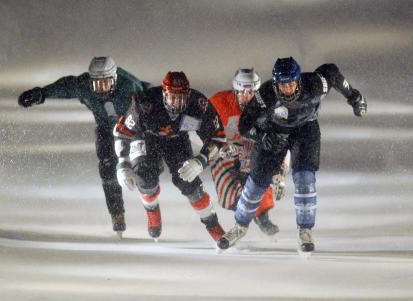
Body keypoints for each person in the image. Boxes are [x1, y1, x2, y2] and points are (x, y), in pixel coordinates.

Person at [218, 57, 367, 252]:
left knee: (305, 179)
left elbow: (332, 73)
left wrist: (354, 97)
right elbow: (245, 124)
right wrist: (263, 137)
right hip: (274, 133)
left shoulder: (315, 85)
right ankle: (239, 226)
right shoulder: (266, 94)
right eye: (282, 85)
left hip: (305, 131)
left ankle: (305, 229)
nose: (287, 89)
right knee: (256, 183)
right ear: (275, 84)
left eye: (291, 84)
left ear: (299, 81)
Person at [17, 56, 151, 237]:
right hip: (106, 129)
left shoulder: (129, 86)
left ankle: (151, 205)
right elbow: (65, 87)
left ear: (115, 79)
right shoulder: (84, 86)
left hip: (132, 129)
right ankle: (117, 214)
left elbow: (148, 104)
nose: (101, 89)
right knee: (107, 169)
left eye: (105, 84)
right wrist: (41, 94)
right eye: (97, 84)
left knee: (144, 166)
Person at [113, 71, 226, 242]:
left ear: (188, 96)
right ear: (163, 94)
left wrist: (201, 160)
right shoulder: (144, 103)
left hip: (177, 140)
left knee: (190, 184)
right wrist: (122, 163)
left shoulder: (199, 104)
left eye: (181, 98)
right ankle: (152, 210)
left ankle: (213, 225)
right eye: (172, 97)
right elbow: (121, 132)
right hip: (146, 138)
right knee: (145, 178)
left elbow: (218, 136)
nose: (176, 103)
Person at [205, 68, 291, 236]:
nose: (247, 95)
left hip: (254, 149)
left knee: (263, 164)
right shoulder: (218, 102)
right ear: (234, 91)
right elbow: (200, 129)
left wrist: (281, 173)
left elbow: (283, 140)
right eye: (242, 91)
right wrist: (219, 147)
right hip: (225, 151)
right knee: (228, 191)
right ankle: (243, 207)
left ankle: (262, 213)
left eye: (251, 91)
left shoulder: (269, 106)